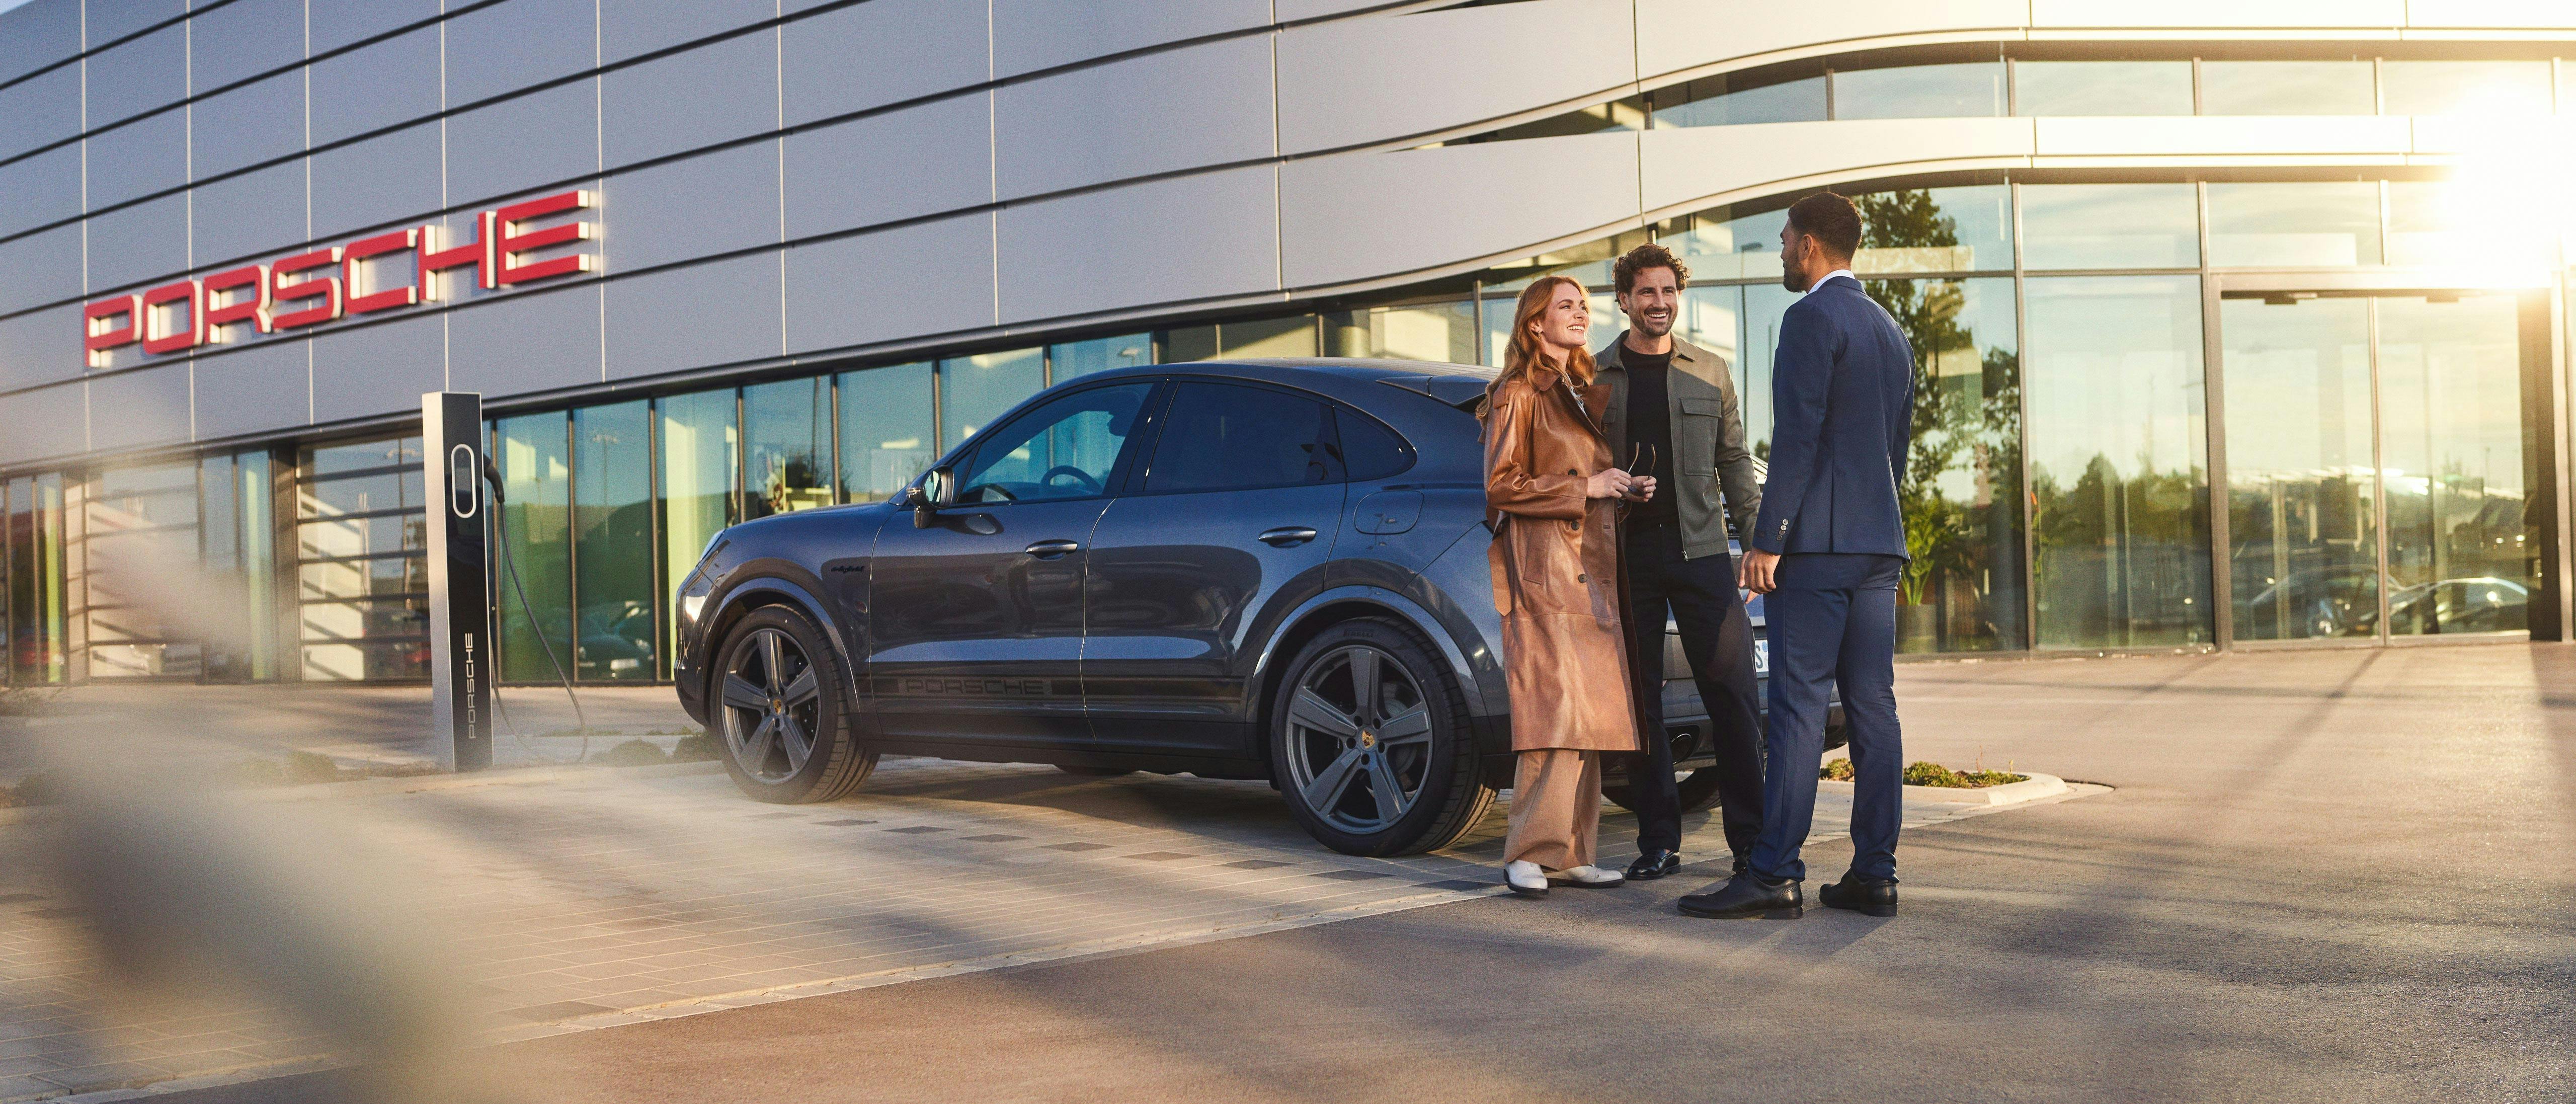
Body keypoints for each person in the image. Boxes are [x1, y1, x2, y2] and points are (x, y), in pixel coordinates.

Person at [1679, 192, 1915, 921]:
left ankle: (1774, 871)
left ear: (1810, 245)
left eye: (1783, 239)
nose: (1780, 251)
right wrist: (1872, 517)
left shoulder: (1809, 317)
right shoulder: (1890, 329)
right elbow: (1894, 449)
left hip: (1813, 549)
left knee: (1796, 709)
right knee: (1874, 707)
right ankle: (1875, 873)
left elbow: (1799, 436)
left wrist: (1767, 538)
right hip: (1878, 544)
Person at [1591, 243, 1765, 882]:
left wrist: (1755, 541)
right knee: (1641, 704)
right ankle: (1658, 840)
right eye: (1646, 293)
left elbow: (1734, 464)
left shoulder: (1710, 372)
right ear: (1624, 299)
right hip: (1627, 556)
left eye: (1667, 291)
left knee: (1734, 696)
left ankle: (1751, 841)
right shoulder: (1594, 376)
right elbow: (1578, 465)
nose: (1658, 303)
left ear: (1677, 296)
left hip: (1700, 555)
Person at [1481, 275, 1643, 897]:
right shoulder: (1517, 393)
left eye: (1582, 305)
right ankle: (1526, 850)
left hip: (1588, 564)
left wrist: (1619, 487)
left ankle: (1573, 850)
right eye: (1565, 307)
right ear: (1534, 324)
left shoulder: (1575, 389)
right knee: (1552, 711)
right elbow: (1501, 486)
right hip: (1543, 568)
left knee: (1590, 714)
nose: (1580, 315)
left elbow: (1586, 480)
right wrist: (1585, 488)